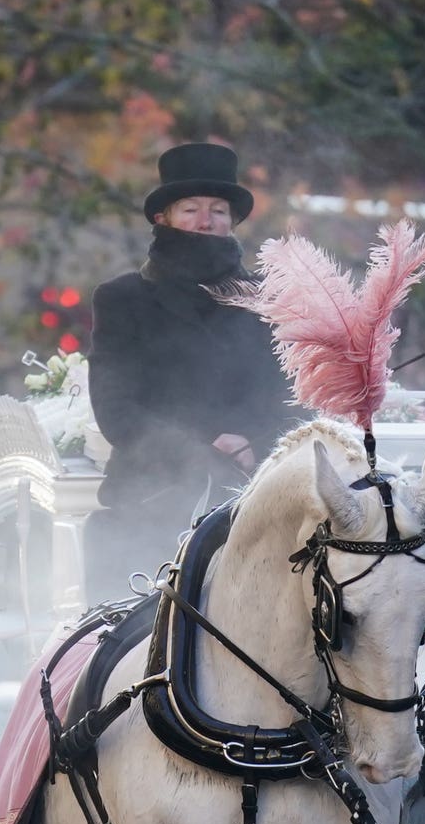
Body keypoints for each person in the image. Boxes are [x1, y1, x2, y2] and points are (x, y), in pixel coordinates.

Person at [82, 142, 297, 590]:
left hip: (257, 504)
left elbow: (296, 398)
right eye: (191, 209)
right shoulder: (123, 299)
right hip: (149, 503)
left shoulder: (271, 300)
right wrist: (201, 448)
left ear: (232, 221)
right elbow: (116, 409)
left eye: (218, 210)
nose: (206, 221)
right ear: (163, 218)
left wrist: (255, 441)